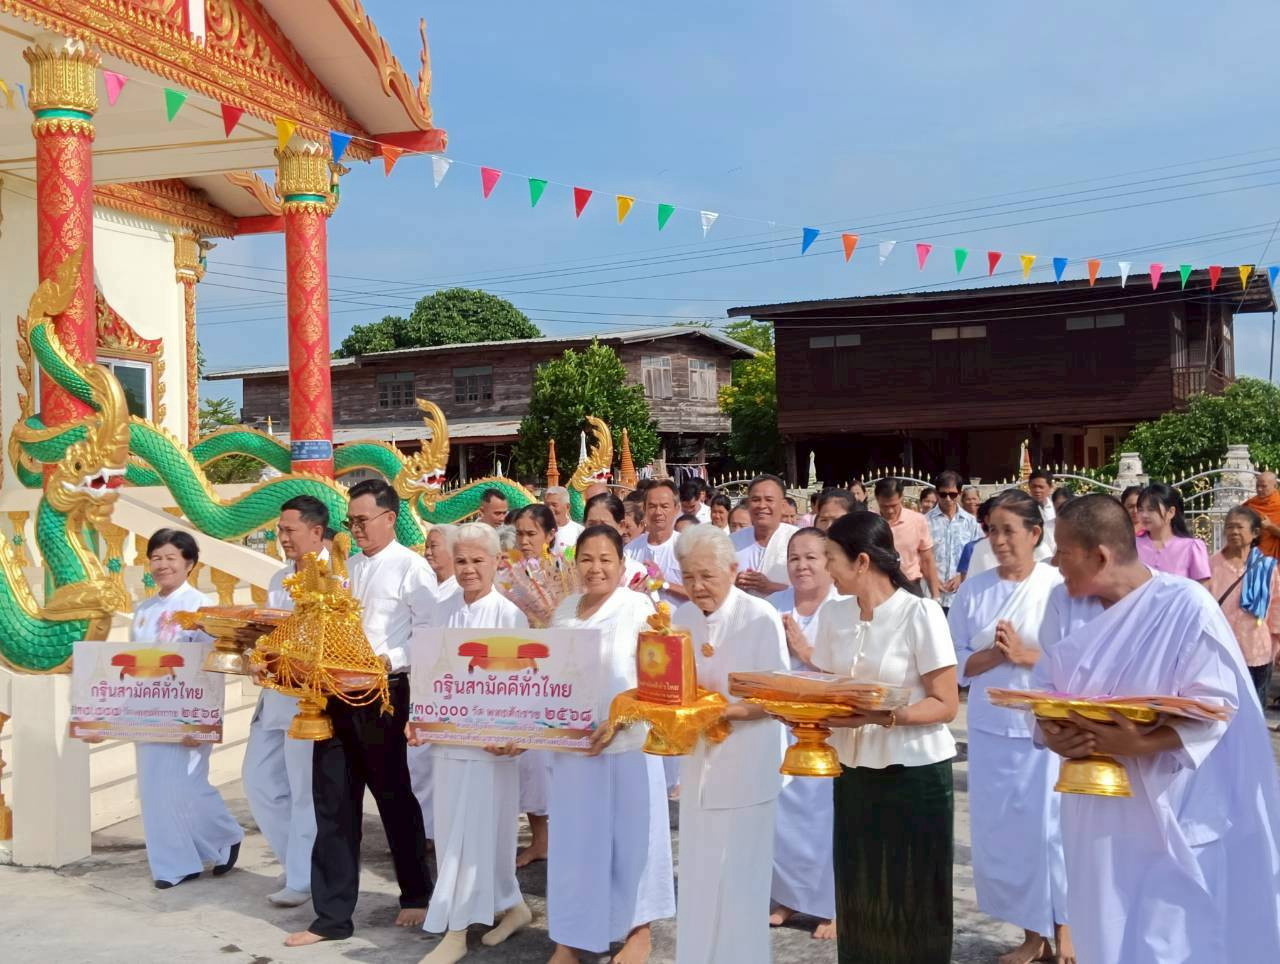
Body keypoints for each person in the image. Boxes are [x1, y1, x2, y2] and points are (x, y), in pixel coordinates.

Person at [1036, 494, 1280, 963]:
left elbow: (1216, 705)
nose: (1055, 562)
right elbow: (1044, 689)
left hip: (1169, 800)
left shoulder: (1184, 605)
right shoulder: (1062, 605)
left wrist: (1140, 742)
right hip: (1093, 803)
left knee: (1167, 934)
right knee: (1102, 924)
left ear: (1100, 555)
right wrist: (1050, 732)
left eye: (1063, 552)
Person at [286, 479, 434, 947]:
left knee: (393, 797)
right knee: (332, 801)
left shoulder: (413, 569)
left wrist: (389, 658)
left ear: (390, 518)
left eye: (362, 521)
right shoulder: (343, 569)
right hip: (333, 692)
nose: (355, 529)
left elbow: (429, 635)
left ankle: (415, 893)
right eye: (349, 522)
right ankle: (330, 916)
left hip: (383, 695)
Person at [813, 512, 959, 964]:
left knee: (913, 896)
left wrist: (884, 718)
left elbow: (945, 703)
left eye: (831, 559)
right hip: (854, 775)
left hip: (914, 777)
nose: (825, 570)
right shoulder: (835, 614)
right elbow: (827, 690)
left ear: (860, 561)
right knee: (860, 892)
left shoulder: (920, 613)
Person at [947, 492, 1072, 964]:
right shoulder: (973, 591)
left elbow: (1082, 655)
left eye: (1008, 531)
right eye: (992, 531)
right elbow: (955, 663)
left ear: (1035, 534)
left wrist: (1025, 656)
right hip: (991, 729)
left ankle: (1067, 932)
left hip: (1048, 730)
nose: (999, 541)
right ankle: (1031, 935)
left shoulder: (1058, 586)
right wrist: (997, 656)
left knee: (1053, 831)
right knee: (1008, 835)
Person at [546, 526, 676, 963]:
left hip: (628, 747)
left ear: (623, 565)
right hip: (574, 750)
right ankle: (571, 936)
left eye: (606, 559)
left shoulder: (639, 608)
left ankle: (639, 930)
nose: (595, 567)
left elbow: (661, 680)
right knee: (574, 843)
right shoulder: (564, 610)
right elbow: (549, 680)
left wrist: (621, 718)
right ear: (574, 563)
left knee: (634, 840)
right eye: (587, 559)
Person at [671, 524, 789, 963]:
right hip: (699, 766)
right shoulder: (681, 620)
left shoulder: (760, 618)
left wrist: (720, 711)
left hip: (747, 766)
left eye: (707, 576)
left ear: (733, 570)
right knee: (700, 879)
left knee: (741, 881)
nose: (698, 587)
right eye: (688, 577)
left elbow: (775, 699)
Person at [416, 523, 533, 964]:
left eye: (477, 561)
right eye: (461, 561)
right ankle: (511, 903)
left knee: (484, 831)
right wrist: (420, 720)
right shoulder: (444, 610)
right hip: (448, 743)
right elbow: (430, 673)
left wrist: (517, 736)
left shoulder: (509, 615)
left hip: (491, 749)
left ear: (497, 563)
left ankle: (457, 928)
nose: (468, 570)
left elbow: (523, 686)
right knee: (451, 833)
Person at [132, 528, 243, 889]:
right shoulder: (144, 611)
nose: (162, 565)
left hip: (190, 710)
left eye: (170, 558)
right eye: (156, 558)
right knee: (153, 787)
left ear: (189, 563)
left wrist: (203, 717)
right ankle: (176, 864)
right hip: (150, 711)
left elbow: (212, 664)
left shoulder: (202, 609)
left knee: (185, 785)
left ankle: (225, 835)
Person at [242, 497, 324, 907]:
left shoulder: (336, 578)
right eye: (280, 530)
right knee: (257, 781)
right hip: (274, 695)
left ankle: (303, 876)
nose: (283, 538)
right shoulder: (279, 579)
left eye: (290, 530)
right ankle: (296, 863)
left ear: (316, 531)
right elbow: (271, 634)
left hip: (309, 699)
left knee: (303, 790)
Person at [766, 528, 838, 941]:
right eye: (794, 558)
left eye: (811, 557)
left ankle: (833, 905)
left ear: (829, 562)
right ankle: (790, 897)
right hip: (780, 725)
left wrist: (806, 651)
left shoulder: (844, 609)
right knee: (784, 814)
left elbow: (852, 671)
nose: (802, 566)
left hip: (828, 730)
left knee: (827, 817)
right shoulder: (773, 606)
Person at [503, 503, 557, 866]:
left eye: (531, 534)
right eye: (520, 533)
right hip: (520, 674)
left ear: (550, 535)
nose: (524, 541)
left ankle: (561, 835)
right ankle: (540, 839)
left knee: (558, 761)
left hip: (556, 677)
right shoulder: (506, 575)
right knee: (529, 763)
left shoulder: (565, 573)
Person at [1209, 505, 1280, 708]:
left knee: (1255, 712)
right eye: (1229, 527)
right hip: (1220, 653)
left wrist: (1276, 645)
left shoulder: (1268, 567)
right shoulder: (1211, 565)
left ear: (1255, 532)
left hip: (1257, 651)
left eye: (1239, 527)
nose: (1233, 532)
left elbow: (1276, 607)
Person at [731, 474, 799, 597]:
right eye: (756, 500)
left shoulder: (797, 539)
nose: (762, 506)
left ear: (783, 506)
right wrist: (734, 583)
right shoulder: (732, 542)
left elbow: (812, 588)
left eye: (769, 500)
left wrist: (769, 587)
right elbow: (718, 583)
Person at [874, 478, 940, 600]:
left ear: (901, 498)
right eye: (884, 506)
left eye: (894, 505)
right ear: (877, 499)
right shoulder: (870, 522)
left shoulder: (917, 520)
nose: (890, 510)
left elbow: (927, 560)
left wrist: (935, 596)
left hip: (910, 587)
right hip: (878, 589)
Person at [624, 479, 687, 605]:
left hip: (681, 623)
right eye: (652, 506)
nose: (658, 512)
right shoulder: (630, 551)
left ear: (676, 509)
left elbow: (703, 594)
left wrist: (663, 584)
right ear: (644, 509)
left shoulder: (689, 547)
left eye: (664, 506)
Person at [925, 469, 981, 613]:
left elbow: (976, 554)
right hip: (932, 594)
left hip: (961, 594)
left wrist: (960, 577)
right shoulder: (925, 521)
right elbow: (920, 556)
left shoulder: (970, 522)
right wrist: (933, 579)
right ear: (937, 494)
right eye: (943, 494)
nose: (948, 499)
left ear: (960, 494)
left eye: (953, 494)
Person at [1135, 482, 1211, 584]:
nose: (1144, 515)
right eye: (1140, 509)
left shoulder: (1191, 547)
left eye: (1151, 509)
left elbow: (1202, 591)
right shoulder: (1131, 545)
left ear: (1171, 512)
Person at [1245, 469, 1280, 559]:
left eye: (1264, 486)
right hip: (1254, 557)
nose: (1259, 489)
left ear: (1275, 486)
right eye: (1257, 486)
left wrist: (1270, 527)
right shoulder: (1250, 505)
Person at [425, 524, 460, 603]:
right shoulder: (424, 586)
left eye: (433, 546)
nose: (427, 552)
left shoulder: (461, 590)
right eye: (426, 547)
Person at [544, 485, 583, 553]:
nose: (550, 509)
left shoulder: (579, 531)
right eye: (547, 505)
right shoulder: (539, 530)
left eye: (554, 505)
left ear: (567, 507)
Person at [1027, 469, 1057, 553]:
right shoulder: (1024, 509)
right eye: (1034, 486)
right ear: (1029, 486)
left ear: (1050, 487)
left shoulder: (1055, 508)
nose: (1037, 490)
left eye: (1041, 487)